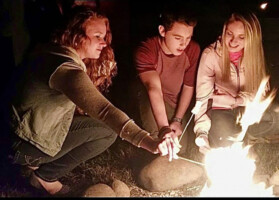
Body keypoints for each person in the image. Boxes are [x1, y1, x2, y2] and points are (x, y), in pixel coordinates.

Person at [8, 6, 180, 196]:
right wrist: (148, 141)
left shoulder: (54, 53)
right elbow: (104, 111)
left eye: (105, 36)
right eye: (97, 36)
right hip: (22, 146)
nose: (104, 43)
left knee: (104, 131)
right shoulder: (64, 68)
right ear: (75, 35)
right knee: (106, 130)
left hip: (20, 136)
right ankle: (41, 173)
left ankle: (38, 170)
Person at [193, 11, 279, 155]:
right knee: (227, 146)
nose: (233, 42)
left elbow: (261, 93)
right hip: (221, 112)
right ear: (224, 31)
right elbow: (202, 98)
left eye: (241, 37)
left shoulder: (254, 55)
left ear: (251, 38)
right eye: (229, 34)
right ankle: (237, 137)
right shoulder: (211, 55)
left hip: (246, 108)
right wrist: (201, 132)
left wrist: (237, 100)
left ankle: (247, 134)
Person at [134, 9, 201, 150]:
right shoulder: (147, 50)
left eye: (188, 38)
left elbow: (189, 86)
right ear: (162, 30)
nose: (184, 44)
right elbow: (153, 89)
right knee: (160, 142)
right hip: (152, 98)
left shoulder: (193, 50)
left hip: (174, 101)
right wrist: (164, 129)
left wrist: (177, 120)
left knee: (180, 148)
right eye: (178, 38)